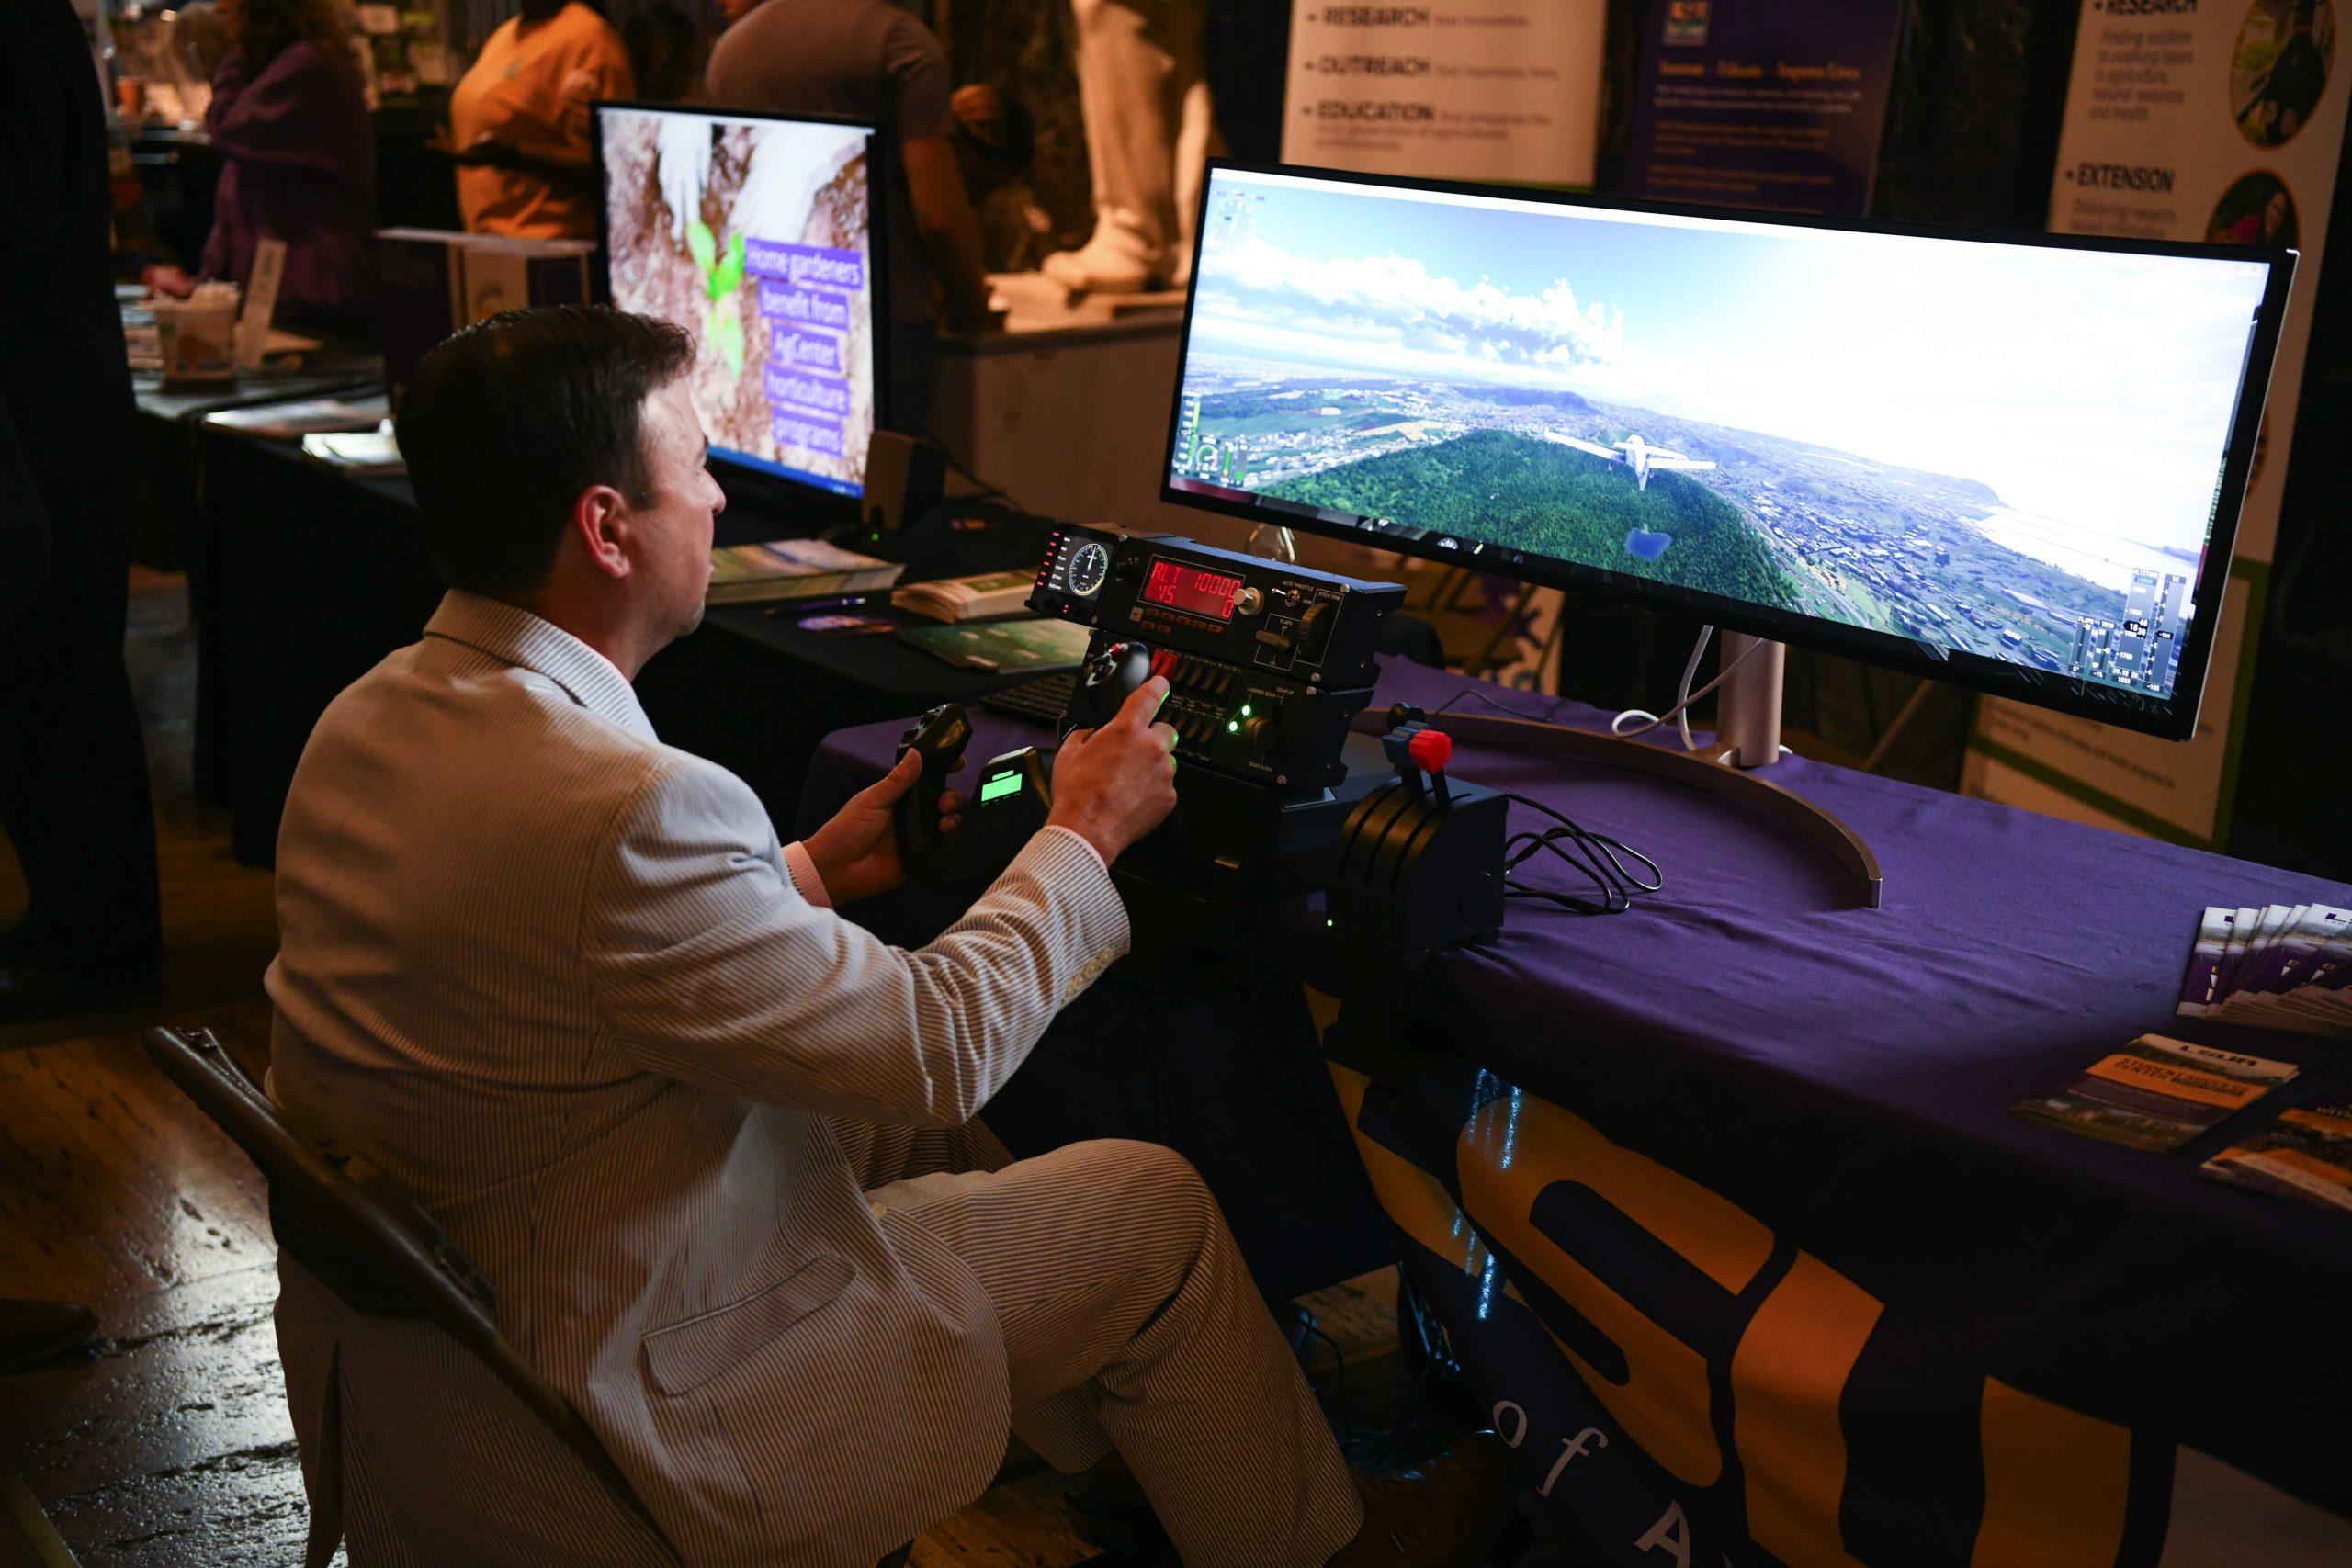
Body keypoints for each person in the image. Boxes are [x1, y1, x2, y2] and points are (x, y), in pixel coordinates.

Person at [263, 304, 1512, 1564]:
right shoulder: (633, 806)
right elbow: (940, 1039)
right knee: (1156, 1210)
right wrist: (1083, 827)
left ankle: (1148, 1465)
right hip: (618, 1398)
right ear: (606, 526)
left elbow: (545, 954)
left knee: (928, 1137)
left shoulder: (366, 720)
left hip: (441, 1356)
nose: (712, 497)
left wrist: (804, 868)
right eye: (695, 467)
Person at [0, 0, 164, 1369]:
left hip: (42, 430)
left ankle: (94, 932)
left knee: (66, 693)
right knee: (49, 700)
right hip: (40, 421)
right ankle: (70, 918)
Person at [704, 0, 998, 423]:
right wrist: (973, 308)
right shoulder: (899, 43)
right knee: (890, 483)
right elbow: (940, 220)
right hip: (880, 329)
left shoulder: (732, 49)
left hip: (772, 310)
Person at [143, 0, 378, 334]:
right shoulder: (278, 71)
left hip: (315, 287)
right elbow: (235, 202)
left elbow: (231, 129)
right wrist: (204, 289)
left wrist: (229, 59)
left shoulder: (308, 65)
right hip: (287, 288)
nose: (220, 10)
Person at [446, 0, 635, 239]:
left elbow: (612, 168)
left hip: (552, 252)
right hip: (493, 249)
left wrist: (511, 155)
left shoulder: (590, 39)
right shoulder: (505, 34)